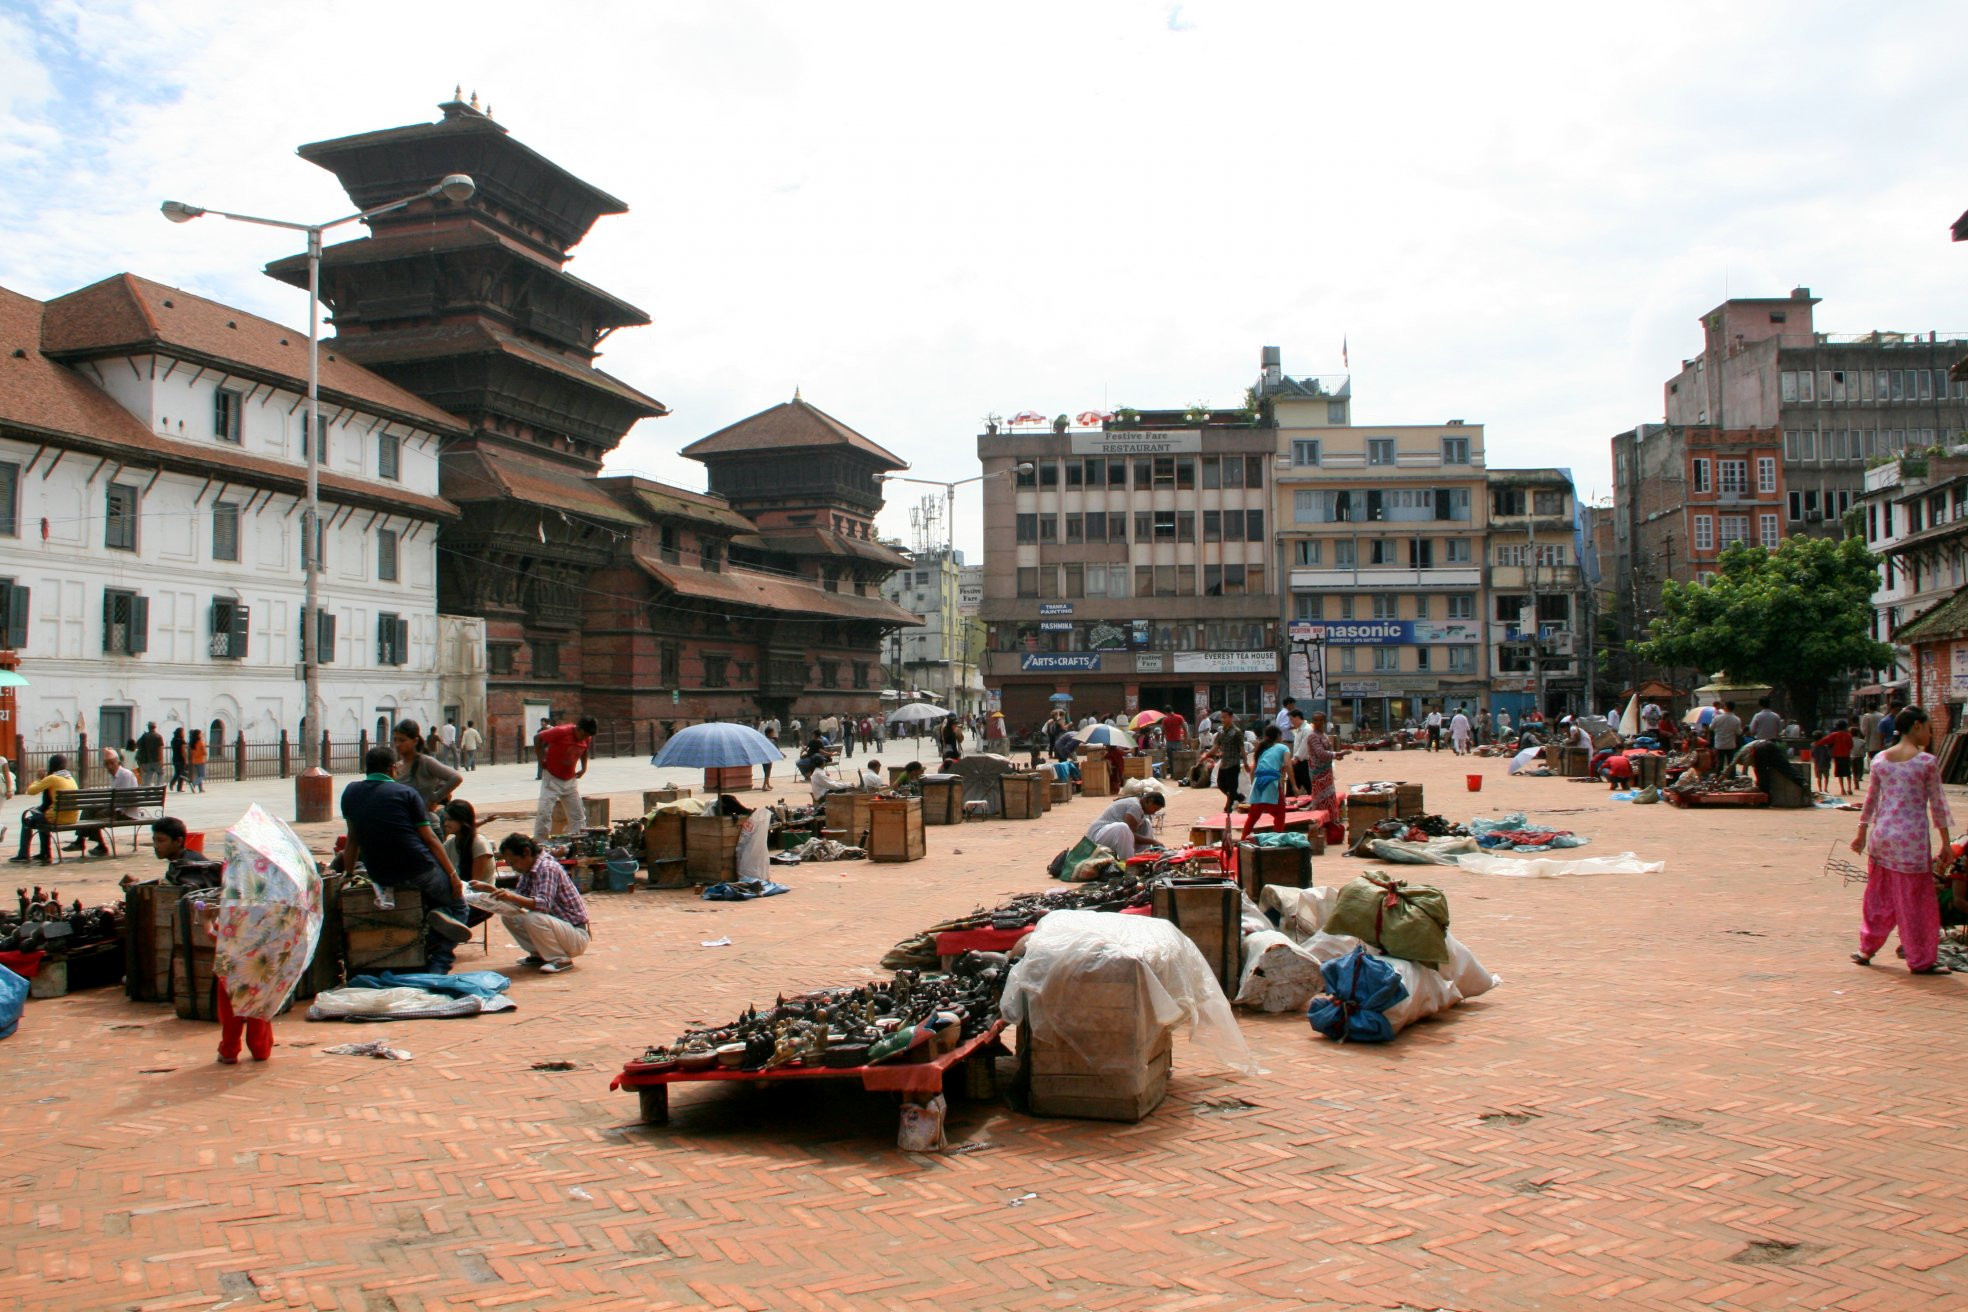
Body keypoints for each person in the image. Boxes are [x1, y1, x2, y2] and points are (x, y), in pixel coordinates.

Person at [340, 745, 471, 972]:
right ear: (393, 769)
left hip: (381, 875)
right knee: (459, 906)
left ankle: (434, 922)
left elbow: (352, 839)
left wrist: (348, 874)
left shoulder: (350, 792)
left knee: (433, 901)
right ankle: (439, 963)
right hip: (418, 869)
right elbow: (430, 839)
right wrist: (452, 876)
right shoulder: (405, 793)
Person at [1850, 706, 1955, 974]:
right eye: (1929, 727)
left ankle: (1866, 948)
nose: (1930, 734)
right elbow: (1938, 806)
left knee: (1878, 896)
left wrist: (1861, 833)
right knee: (1915, 902)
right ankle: (1920, 959)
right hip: (1912, 842)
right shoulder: (1926, 762)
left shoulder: (1880, 760)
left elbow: (1871, 800)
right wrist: (1945, 842)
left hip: (1882, 837)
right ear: (1917, 726)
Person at [484, 834, 591, 973]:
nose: (513, 867)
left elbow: (542, 905)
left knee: (533, 918)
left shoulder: (547, 867)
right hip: (560, 929)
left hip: (576, 934)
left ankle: (560, 959)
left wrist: (511, 896)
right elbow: (518, 901)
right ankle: (539, 954)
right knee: (509, 915)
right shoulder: (528, 870)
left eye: (514, 862)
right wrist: (491, 893)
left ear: (526, 852)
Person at [64, 747, 138, 856]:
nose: (110, 766)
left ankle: (97, 845)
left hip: (124, 812)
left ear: (117, 762)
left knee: (96, 816)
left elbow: (126, 799)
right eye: (107, 764)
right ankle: (82, 841)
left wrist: (113, 809)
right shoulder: (114, 776)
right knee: (89, 809)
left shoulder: (125, 775)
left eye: (112, 763)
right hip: (116, 807)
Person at [533, 716, 596, 840]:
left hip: (570, 780)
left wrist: (584, 768)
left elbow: (585, 750)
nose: (585, 738)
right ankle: (541, 843)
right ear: (578, 729)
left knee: (578, 816)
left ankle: (578, 842)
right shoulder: (561, 731)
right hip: (552, 778)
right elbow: (537, 738)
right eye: (583, 735)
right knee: (544, 813)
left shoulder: (587, 737)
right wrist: (541, 759)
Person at [11, 754, 77, 865]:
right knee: (41, 816)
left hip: (56, 819)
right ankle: (44, 853)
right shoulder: (70, 778)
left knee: (28, 820)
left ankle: (24, 854)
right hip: (72, 819)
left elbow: (31, 791)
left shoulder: (52, 778)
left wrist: (39, 779)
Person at [393, 719, 463, 815]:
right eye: (395, 740)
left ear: (415, 741)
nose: (397, 744)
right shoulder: (398, 766)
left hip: (422, 819)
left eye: (402, 740)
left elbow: (456, 777)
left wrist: (435, 798)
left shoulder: (425, 762)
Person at [1299, 712, 1347, 846]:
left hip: (1327, 772)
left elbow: (1327, 754)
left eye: (1320, 720)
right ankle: (1321, 828)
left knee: (1330, 800)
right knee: (1320, 801)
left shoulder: (1324, 736)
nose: (1318, 722)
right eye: (1316, 720)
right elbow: (1320, 754)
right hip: (1318, 774)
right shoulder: (1312, 736)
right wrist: (1337, 754)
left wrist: (1336, 756)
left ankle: (1330, 829)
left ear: (1325, 721)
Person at [1241, 725, 1291, 840]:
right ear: (1278, 736)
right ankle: (1276, 839)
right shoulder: (1282, 748)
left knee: (1253, 816)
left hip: (1258, 782)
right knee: (1280, 815)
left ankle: (1243, 838)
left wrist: (1254, 787)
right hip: (1271, 782)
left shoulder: (1261, 749)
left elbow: (1253, 771)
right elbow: (1287, 766)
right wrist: (1293, 785)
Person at [1086, 792, 1164, 860]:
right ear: (1148, 801)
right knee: (1123, 828)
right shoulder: (1135, 806)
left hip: (1110, 835)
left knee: (1146, 823)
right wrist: (1154, 841)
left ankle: (1144, 856)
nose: (1154, 812)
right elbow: (1131, 834)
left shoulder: (1140, 808)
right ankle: (1129, 863)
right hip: (1097, 835)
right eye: (1155, 808)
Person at [1209, 711, 1247, 809]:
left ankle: (1228, 807)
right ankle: (1239, 797)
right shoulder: (1221, 732)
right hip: (1224, 763)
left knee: (1232, 786)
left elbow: (1242, 749)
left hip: (1234, 763)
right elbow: (1216, 746)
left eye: (1225, 717)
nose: (1223, 720)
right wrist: (1207, 755)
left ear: (1231, 717)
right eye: (1222, 717)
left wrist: (1246, 763)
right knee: (1221, 784)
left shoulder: (1236, 732)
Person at [1816, 720, 1856, 796]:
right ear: (1845, 727)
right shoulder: (1848, 735)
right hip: (1846, 756)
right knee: (1848, 773)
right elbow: (1851, 746)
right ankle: (1849, 788)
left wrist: (1816, 743)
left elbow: (1825, 740)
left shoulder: (1834, 735)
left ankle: (1842, 789)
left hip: (1838, 756)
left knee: (1840, 773)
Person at [1710, 701, 1743, 773]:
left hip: (1719, 744)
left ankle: (1718, 778)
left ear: (1725, 707)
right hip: (1730, 744)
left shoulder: (1717, 718)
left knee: (1719, 763)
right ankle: (1731, 778)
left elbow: (1711, 728)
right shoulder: (1736, 719)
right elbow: (1739, 732)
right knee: (1731, 763)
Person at [1286, 708, 1313, 795]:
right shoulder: (1300, 729)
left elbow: (1304, 747)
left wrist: (1296, 758)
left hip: (1304, 762)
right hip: (1299, 762)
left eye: (1291, 719)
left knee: (1309, 786)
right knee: (1292, 784)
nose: (1291, 722)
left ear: (1297, 717)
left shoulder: (1307, 729)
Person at [134, 722, 164, 789]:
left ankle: (147, 790)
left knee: (148, 775)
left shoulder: (145, 736)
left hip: (147, 760)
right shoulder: (158, 736)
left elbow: (137, 744)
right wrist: (161, 760)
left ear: (148, 727)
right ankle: (158, 787)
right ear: (155, 727)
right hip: (157, 759)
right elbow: (160, 749)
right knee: (160, 773)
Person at [168, 727, 188, 793]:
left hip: (175, 758)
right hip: (181, 759)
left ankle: (172, 783)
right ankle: (179, 787)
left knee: (177, 773)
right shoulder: (182, 741)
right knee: (181, 774)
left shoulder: (173, 741)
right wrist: (185, 760)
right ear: (180, 733)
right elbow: (183, 751)